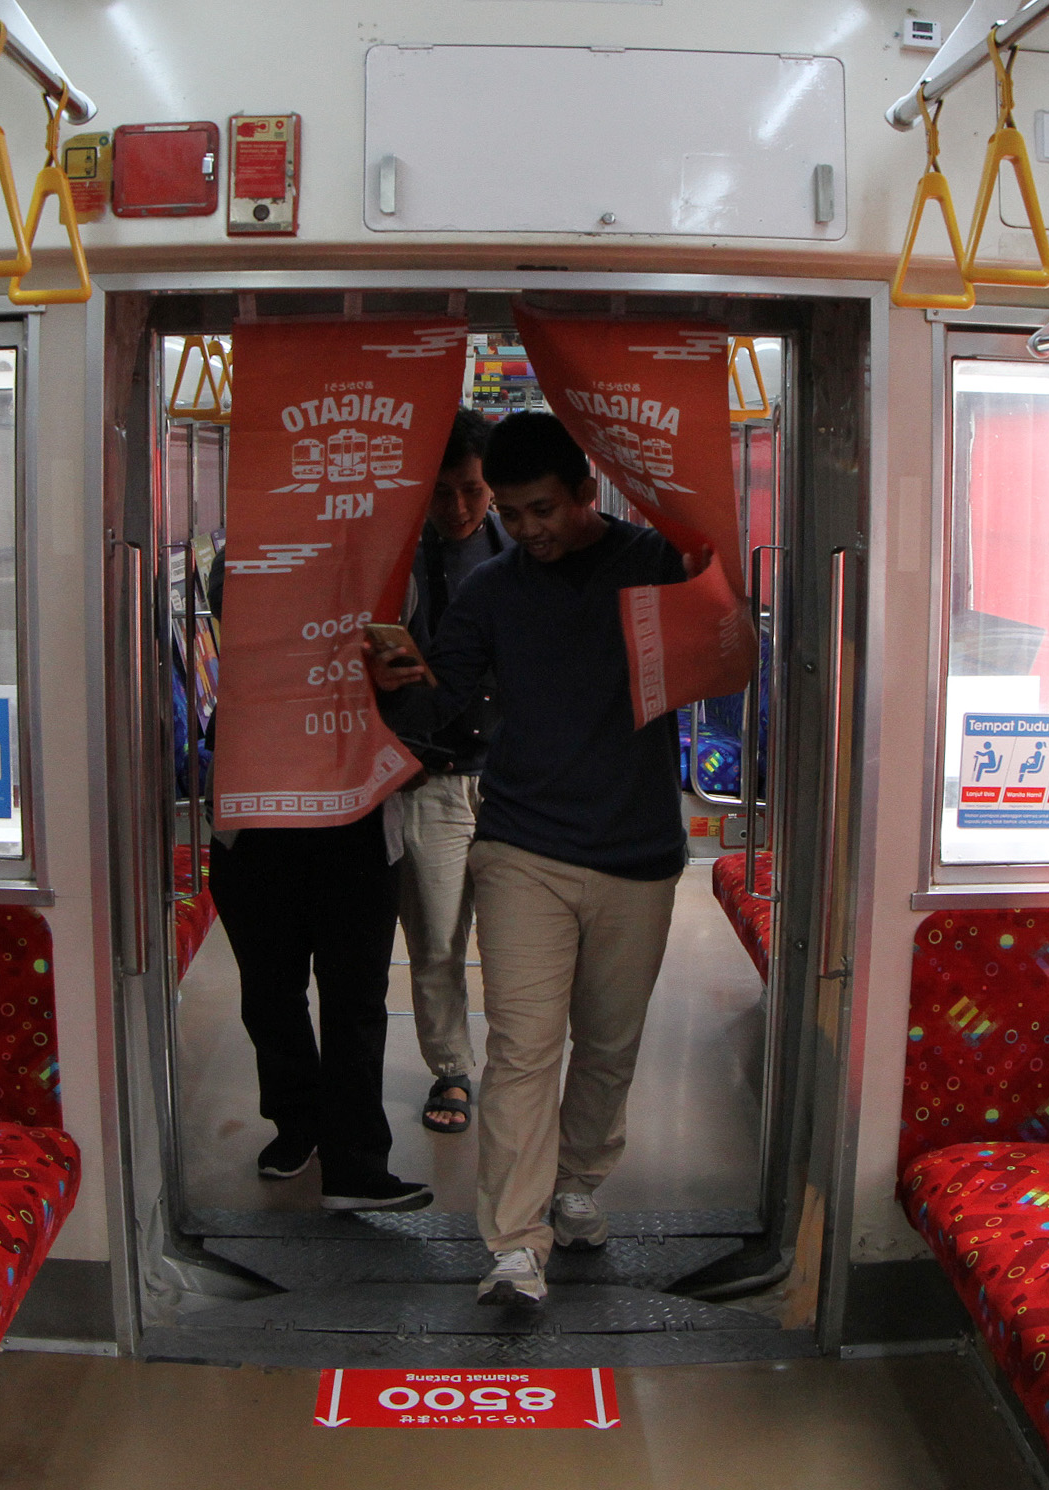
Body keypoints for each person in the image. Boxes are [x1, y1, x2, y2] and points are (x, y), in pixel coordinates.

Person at [366, 411, 689, 1305]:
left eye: (543, 508)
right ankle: (513, 1243)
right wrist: (396, 690)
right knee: (521, 1050)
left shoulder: (653, 565)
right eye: (513, 514)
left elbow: (721, 654)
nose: (528, 528)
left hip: (639, 852)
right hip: (522, 849)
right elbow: (443, 704)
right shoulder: (493, 592)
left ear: (588, 492)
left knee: (610, 1047)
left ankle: (577, 1184)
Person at [207, 568, 432, 1214]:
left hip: (357, 814)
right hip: (258, 816)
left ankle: (357, 1162)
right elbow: (227, 599)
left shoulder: (391, 565)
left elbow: (411, 670)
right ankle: (297, 1123)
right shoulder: (247, 554)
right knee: (271, 991)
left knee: (355, 996)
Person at [380, 409, 508, 1138]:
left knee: (518, 941)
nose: (459, 508)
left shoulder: (517, 550)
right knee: (434, 939)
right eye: (441, 493)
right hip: (430, 776)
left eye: (472, 489)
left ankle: (516, 1068)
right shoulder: (395, 566)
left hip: (512, 777)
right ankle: (453, 1069)